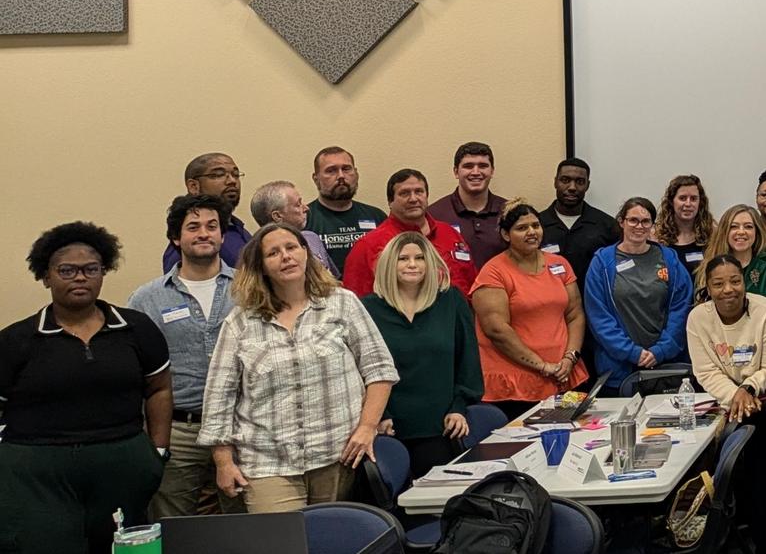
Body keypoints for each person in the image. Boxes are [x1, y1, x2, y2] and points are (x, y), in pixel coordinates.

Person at [202, 224, 398, 511]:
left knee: (334, 534)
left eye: (292, 247)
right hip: (268, 463)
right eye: (273, 253)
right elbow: (219, 396)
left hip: (338, 455)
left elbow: (379, 369)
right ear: (261, 266)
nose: (286, 256)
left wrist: (367, 427)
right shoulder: (241, 321)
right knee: (283, 535)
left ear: (306, 253)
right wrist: (223, 462)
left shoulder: (342, 303)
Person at [0, 223, 169, 554]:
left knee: (120, 548)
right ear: (46, 276)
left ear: (103, 272)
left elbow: (159, 389)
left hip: (123, 467)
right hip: (37, 476)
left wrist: (158, 452)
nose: (80, 278)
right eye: (67, 270)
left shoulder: (136, 328)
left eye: (91, 269)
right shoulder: (16, 340)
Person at [128, 195, 242, 518]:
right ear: (176, 238)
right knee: (172, 524)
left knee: (244, 525)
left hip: (240, 426)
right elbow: (136, 367)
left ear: (222, 235)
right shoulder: (147, 299)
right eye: (193, 227)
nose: (204, 233)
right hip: (178, 430)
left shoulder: (249, 289)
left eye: (212, 226)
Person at [685, 255, 766, 554]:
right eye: (718, 284)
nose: (728, 289)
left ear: (744, 282)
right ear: (708, 288)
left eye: (735, 281)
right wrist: (736, 396)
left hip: (765, 403)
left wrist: (747, 388)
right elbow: (705, 372)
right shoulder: (698, 318)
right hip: (726, 404)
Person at [363, 232, 482, 479]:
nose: (412, 264)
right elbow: (360, 370)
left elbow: (468, 362)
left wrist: (459, 407)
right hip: (388, 431)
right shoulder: (368, 309)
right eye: (403, 258)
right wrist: (379, 415)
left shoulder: (451, 300)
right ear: (389, 263)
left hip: (441, 428)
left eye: (419, 258)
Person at [472, 203, 590, 417]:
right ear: (505, 235)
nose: (531, 232)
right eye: (521, 228)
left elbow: (575, 314)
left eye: (535, 225)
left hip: (563, 375)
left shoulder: (559, 264)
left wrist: (570, 358)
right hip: (516, 385)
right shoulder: (493, 272)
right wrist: (542, 366)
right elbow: (497, 330)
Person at [584, 198, 694, 384]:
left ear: (652, 225)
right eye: (633, 220)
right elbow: (598, 316)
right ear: (621, 222)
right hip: (618, 369)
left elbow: (681, 309)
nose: (639, 226)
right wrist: (632, 352)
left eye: (645, 221)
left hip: (664, 366)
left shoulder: (669, 259)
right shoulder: (602, 263)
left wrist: (660, 350)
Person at [343, 169, 476, 295]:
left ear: (427, 196)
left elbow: (471, 283)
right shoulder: (368, 246)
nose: (413, 199)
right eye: (404, 193)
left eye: (419, 192)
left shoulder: (449, 233)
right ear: (390, 202)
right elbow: (356, 302)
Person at [164, 152, 251, 270]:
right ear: (193, 186)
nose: (232, 181)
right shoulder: (187, 246)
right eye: (218, 175)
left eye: (235, 175)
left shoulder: (236, 226)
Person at [427, 141, 507, 267]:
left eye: (483, 166)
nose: (476, 172)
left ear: (492, 171)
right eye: (468, 166)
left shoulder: (509, 212)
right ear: (456, 172)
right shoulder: (434, 214)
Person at [538, 158, 618, 281]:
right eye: (565, 180)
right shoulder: (537, 225)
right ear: (555, 182)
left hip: (591, 293)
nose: (572, 187)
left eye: (580, 182)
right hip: (546, 292)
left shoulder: (607, 225)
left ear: (587, 185)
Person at [308, 147, 386, 273]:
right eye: (331, 171)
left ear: (356, 174)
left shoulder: (377, 216)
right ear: (316, 179)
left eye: (346, 169)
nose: (341, 176)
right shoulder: (305, 219)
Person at [248, 181, 336, 276]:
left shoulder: (311, 238)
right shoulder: (258, 252)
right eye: (298, 204)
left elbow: (335, 278)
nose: (306, 208)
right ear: (277, 216)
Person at [701, 204, 766, 300]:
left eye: (748, 227)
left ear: (757, 231)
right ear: (724, 231)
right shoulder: (710, 264)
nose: (741, 232)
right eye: (734, 226)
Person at [657, 174, 715, 266]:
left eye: (693, 199)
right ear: (671, 201)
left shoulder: (712, 234)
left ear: (700, 202)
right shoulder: (656, 236)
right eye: (682, 198)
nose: (688, 204)